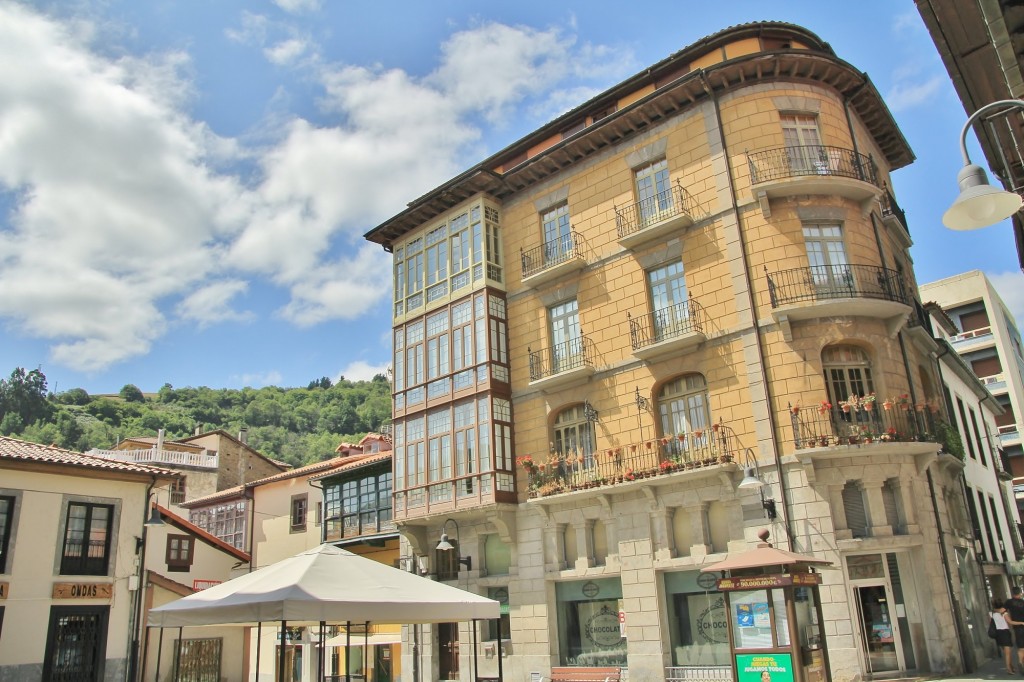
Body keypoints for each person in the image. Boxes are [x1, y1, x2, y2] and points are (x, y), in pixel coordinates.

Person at [993, 598, 1016, 674]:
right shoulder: (1004, 613)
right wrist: (1021, 623)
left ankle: (1011, 666)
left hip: (998, 633)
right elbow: (1010, 622)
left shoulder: (992, 614)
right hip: (1005, 632)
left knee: (1006, 652)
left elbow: (991, 623)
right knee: (1008, 653)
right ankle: (1008, 669)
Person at [1006, 586, 1024, 669]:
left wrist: (1008, 620)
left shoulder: (1009, 602)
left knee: (1021, 647)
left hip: (1017, 627)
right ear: (1020, 593)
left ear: (1013, 593)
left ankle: (1020, 662)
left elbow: (1002, 610)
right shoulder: (1022, 602)